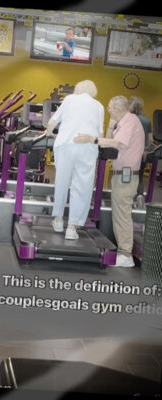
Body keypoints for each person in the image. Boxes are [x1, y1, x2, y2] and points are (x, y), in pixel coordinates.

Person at [74, 96, 144, 267]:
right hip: (122, 173)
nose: (108, 109)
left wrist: (93, 139)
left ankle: (125, 254)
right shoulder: (123, 123)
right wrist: (112, 125)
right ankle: (124, 251)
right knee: (119, 213)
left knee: (122, 215)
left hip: (126, 174)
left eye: (110, 107)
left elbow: (118, 143)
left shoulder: (130, 121)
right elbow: (109, 144)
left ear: (118, 108)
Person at [45, 80, 104, 240]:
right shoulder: (98, 106)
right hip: (87, 147)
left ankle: (57, 220)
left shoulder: (69, 99)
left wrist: (49, 133)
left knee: (62, 181)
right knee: (82, 186)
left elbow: (52, 122)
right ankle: (72, 227)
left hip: (66, 144)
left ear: (78, 89)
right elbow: (99, 133)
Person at [128, 96, 152, 200]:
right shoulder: (146, 119)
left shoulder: (129, 118)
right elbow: (150, 139)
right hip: (142, 153)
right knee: (139, 176)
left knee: (127, 175)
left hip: (130, 153)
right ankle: (138, 198)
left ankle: (127, 198)